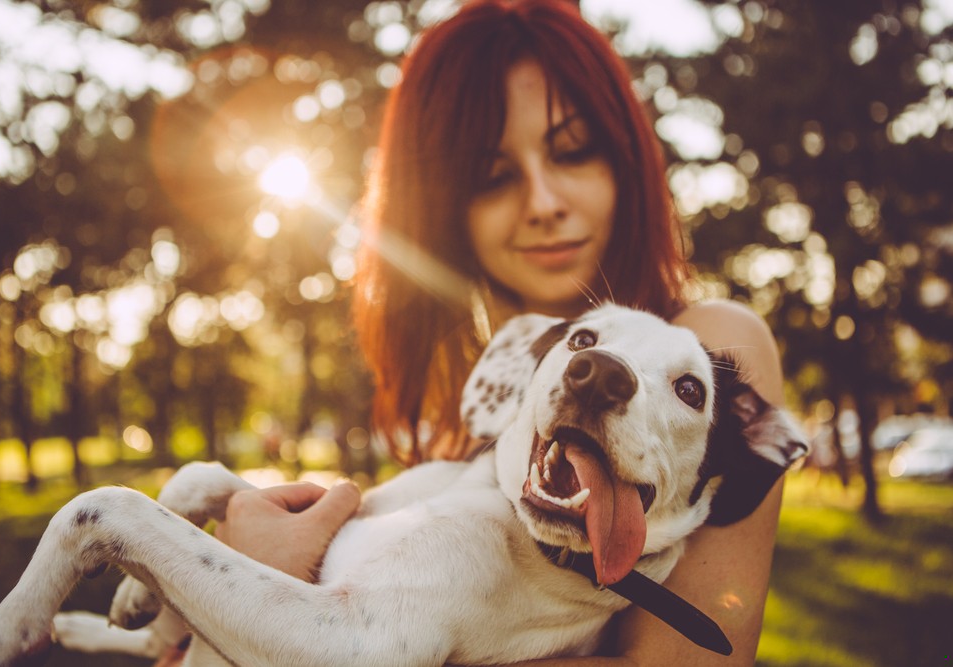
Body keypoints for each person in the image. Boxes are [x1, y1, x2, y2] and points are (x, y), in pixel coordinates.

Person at [167, 0, 789, 664]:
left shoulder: (715, 353)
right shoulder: (476, 404)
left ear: (624, 161)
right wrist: (247, 576)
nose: (545, 202)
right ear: (440, 207)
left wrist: (277, 608)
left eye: (574, 151)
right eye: (495, 177)